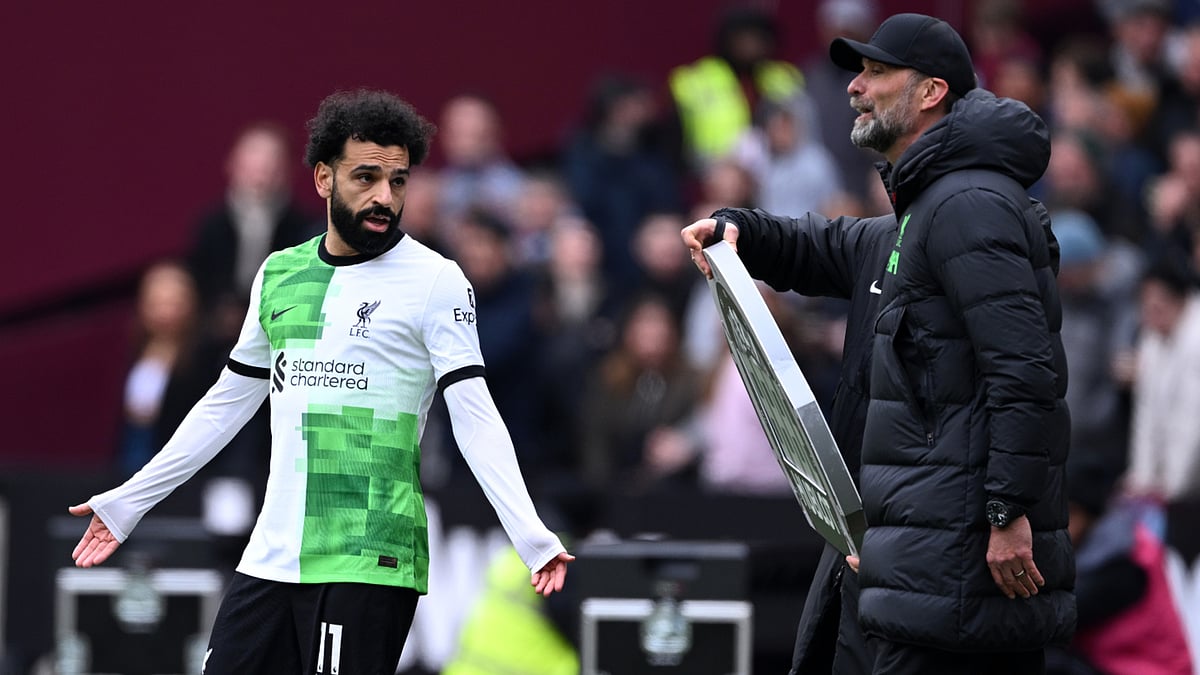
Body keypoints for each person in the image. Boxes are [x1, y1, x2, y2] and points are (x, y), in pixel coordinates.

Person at [68, 89, 573, 675]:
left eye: (399, 180)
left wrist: (530, 532)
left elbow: (475, 414)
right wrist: (129, 502)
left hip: (368, 554)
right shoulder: (280, 274)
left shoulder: (436, 281)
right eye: (366, 177)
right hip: (272, 555)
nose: (385, 196)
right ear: (323, 179)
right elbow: (224, 406)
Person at [683, 13, 1073, 674]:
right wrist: (739, 228)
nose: (855, 88)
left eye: (876, 71)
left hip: (955, 581)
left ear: (931, 93)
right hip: (912, 571)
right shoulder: (926, 210)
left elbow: (1024, 370)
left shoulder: (969, 203)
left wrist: (1007, 511)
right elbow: (835, 245)